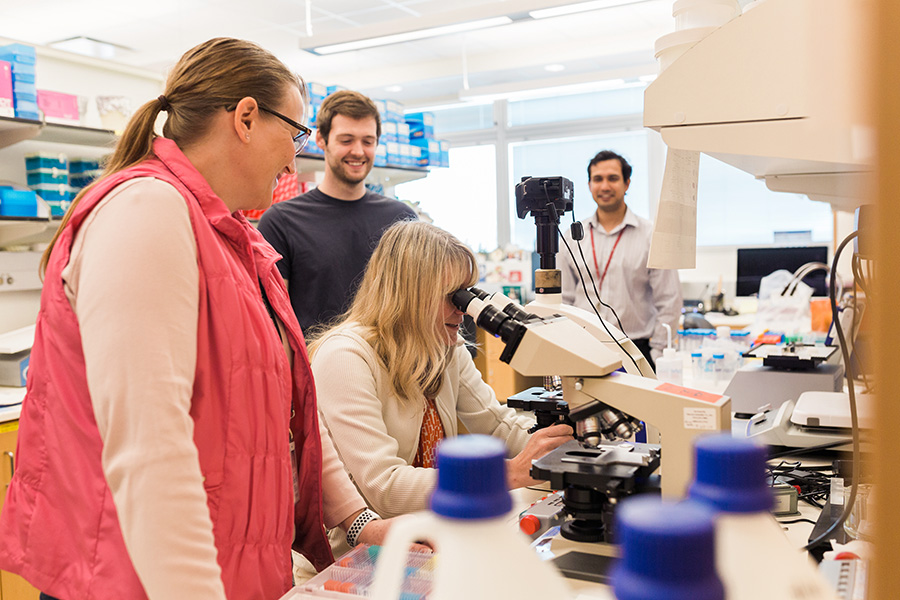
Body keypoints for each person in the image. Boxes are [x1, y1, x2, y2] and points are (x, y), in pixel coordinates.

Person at [0, 38, 395, 600]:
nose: (294, 158)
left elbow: (289, 410)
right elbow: (150, 452)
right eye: (296, 133)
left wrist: (360, 522)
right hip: (135, 578)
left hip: (223, 567)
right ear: (247, 118)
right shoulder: (146, 211)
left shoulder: (234, 239)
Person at [309, 220, 574, 552]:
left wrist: (567, 444)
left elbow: (496, 423)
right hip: (363, 558)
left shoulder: (444, 347)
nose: (464, 311)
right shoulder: (346, 356)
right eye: (453, 297)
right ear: (408, 294)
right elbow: (386, 488)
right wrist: (508, 474)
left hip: (436, 537)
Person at [258, 90, 417, 336]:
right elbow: (274, 325)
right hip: (316, 370)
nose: (358, 151)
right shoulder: (282, 221)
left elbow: (415, 305)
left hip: (390, 370)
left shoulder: (402, 220)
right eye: (346, 140)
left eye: (368, 141)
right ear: (321, 139)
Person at [559, 150, 682, 370]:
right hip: (585, 347)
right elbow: (563, 299)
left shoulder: (651, 236)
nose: (605, 186)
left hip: (636, 349)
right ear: (589, 185)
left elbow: (670, 301)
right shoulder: (573, 236)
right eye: (598, 179)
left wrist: (655, 352)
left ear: (627, 184)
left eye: (613, 178)